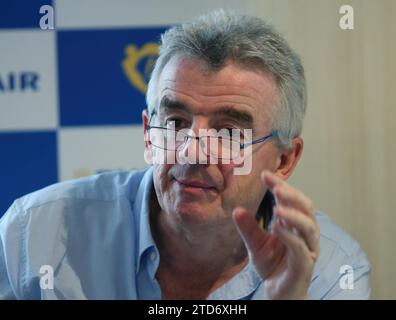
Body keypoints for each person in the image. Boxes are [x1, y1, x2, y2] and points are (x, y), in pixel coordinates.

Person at [0, 10, 370, 300]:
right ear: (148, 135)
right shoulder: (32, 237)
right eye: (176, 122)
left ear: (285, 159)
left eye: (228, 132)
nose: (192, 151)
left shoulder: (330, 269)